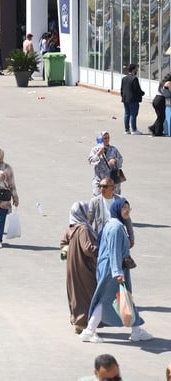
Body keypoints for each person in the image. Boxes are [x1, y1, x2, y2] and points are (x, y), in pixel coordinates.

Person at [80, 199, 153, 343]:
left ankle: (136, 329)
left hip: (111, 267)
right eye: (124, 208)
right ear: (117, 209)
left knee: (123, 297)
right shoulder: (115, 227)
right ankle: (89, 331)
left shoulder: (114, 224)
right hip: (112, 269)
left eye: (128, 208)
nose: (127, 210)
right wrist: (117, 272)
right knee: (109, 299)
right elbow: (113, 251)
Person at [60, 201, 98, 334]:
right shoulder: (83, 228)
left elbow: (63, 243)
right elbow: (88, 249)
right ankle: (84, 323)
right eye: (87, 211)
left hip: (72, 265)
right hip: (84, 266)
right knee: (88, 293)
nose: (89, 213)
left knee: (76, 293)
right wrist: (103, 251)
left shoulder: (71, 227)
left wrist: (67, 252)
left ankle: (79, 323)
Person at [87, 131, 123, 195]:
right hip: (100, 179)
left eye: (108, 138)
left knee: (113, 200)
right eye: (105, 138)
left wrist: (115, 160)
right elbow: (90, 161)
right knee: (98, 199)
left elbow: (120, 160)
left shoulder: (113, 149)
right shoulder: (95, 149)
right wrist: (98, 154)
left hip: (112, 180)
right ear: (100, 139)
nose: (107, 140)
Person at [120, 63, 144, 135]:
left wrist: (123, 97)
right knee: (133, 114)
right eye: (136, 69)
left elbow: (122, 89)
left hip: (125, 99)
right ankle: (134, 129)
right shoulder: (134, 79)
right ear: (133, 69)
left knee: (127, 113)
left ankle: (127, 130)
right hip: (133, 99)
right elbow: (137, 89)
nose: (137, 70)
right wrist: (142, 93)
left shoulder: (124, 78)